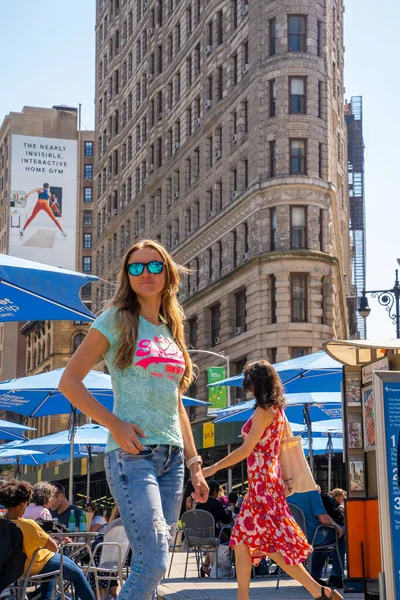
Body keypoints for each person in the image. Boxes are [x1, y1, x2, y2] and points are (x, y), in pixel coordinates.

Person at [58, 239, 209, 600]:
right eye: (136, 267)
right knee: (155, 560)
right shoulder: (114, 320)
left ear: (167, 273)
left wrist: (195, 465)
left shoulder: (173, 328)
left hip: (173, 460)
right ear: (127, 275)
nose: (145, 273)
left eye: (154, 266)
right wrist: (115, 424)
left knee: (154, 560)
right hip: (132, 454)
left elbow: (177, 402)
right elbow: (69, 381)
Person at [202, 360, 343, 600]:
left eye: (249, 383)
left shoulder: (263, 411)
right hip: (266, 483)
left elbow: (247, 449)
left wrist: (214, 467)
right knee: (244, 540)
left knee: (262, 543)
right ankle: (250, 596)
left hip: (263, 486)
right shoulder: (276, 410)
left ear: (257, 383)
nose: (248, 389)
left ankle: (315, 590)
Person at [0, 479, 95, 600]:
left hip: (19, 568)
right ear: (22, 503)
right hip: (39, 563)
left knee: (51, 573)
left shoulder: (2, 522)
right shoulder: (29, 525)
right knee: (78, 575)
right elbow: (53, 547)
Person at [289, 488, 346, 589]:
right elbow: (324, 519)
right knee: (340, 535)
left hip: (294, 538)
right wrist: (336, 526)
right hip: (314, 536)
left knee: (323, 539)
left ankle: (314, 574)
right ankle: (336, 576)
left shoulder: (287, 494)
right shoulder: (311, 492)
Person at [88, 505, 121, 599]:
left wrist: (115, 512)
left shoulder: (117, 517)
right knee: (101, 554)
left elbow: (108, 532)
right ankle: (112, 592)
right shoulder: (131, 518)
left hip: (111, 556)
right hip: (122, 556)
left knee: (95, 557)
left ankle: (101, 594)